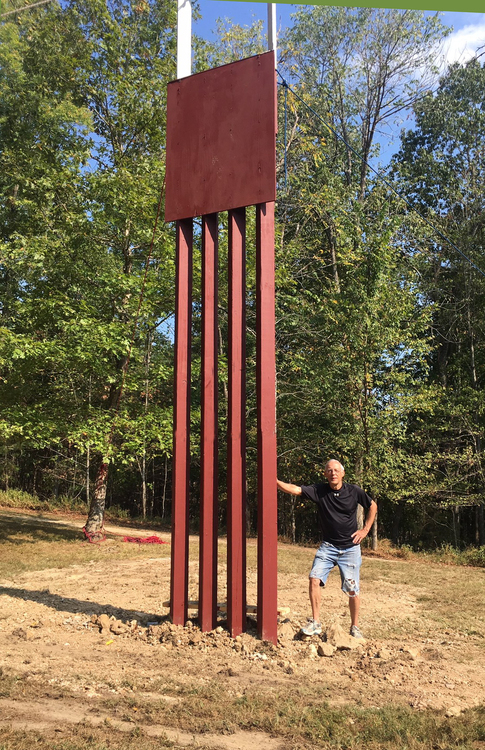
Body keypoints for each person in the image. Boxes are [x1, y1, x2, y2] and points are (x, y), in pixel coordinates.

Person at [277, 459, 377, 638]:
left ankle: (355, 627)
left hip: (350, 548)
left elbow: (372, 506)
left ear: (343, 473)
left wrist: (365, 530)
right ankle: (316, 623)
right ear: (325, 474)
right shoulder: (319, 491)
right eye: (329, 470)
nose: (333, 473)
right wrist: (274, 481)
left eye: (336, 470)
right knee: (314, 578)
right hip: (328, 547)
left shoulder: (354, 491)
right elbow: (295, 489)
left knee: (352, 589)